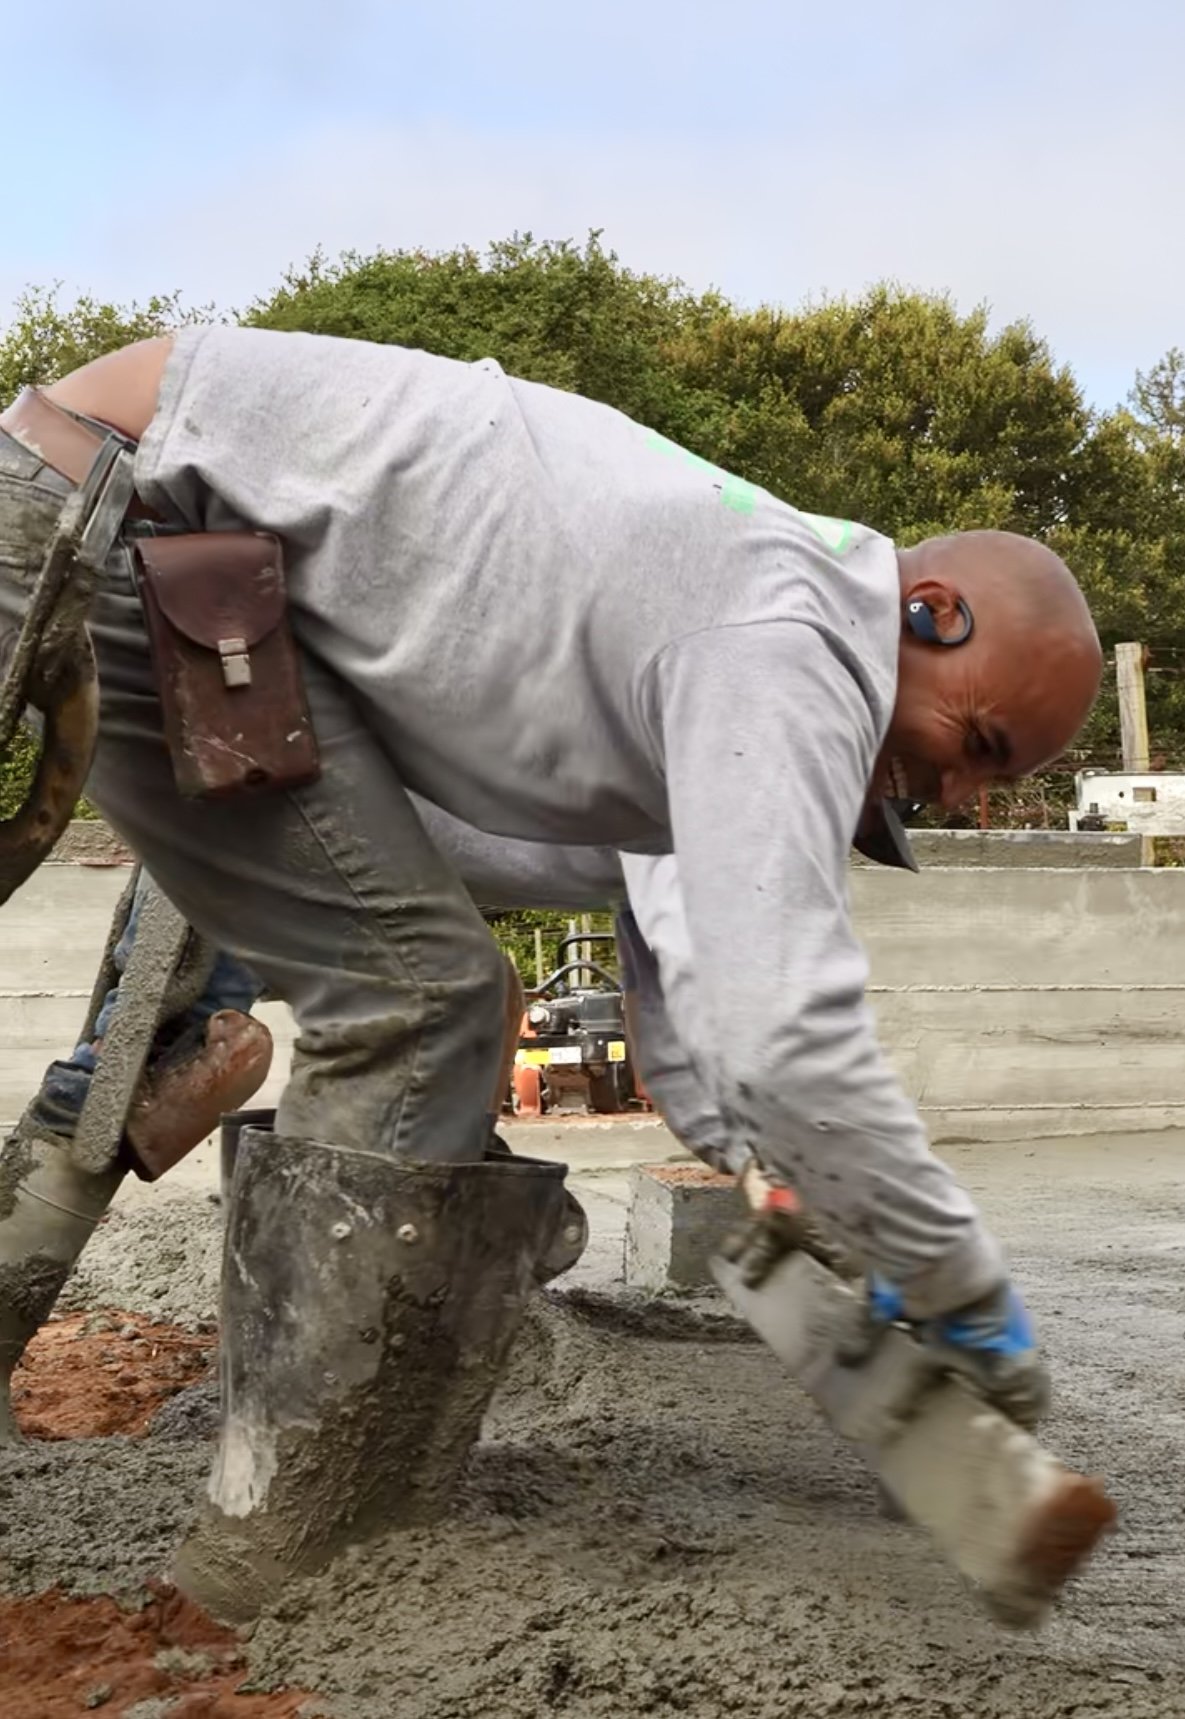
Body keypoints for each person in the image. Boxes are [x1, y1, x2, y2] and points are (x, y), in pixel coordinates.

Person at [0, 329, 1101, 1618]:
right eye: (978, 740)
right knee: (421, 1002)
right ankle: (291, 1559)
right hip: (114, 517)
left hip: (199, 575)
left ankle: (301, 1523)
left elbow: (698, 1035)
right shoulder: (790, 646)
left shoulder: (729, 650)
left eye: (986, 784)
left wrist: (777, 1184)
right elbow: (784, 1040)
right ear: (932, 613)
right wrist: (961, 1285)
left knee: (426, 993)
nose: (956, 791)